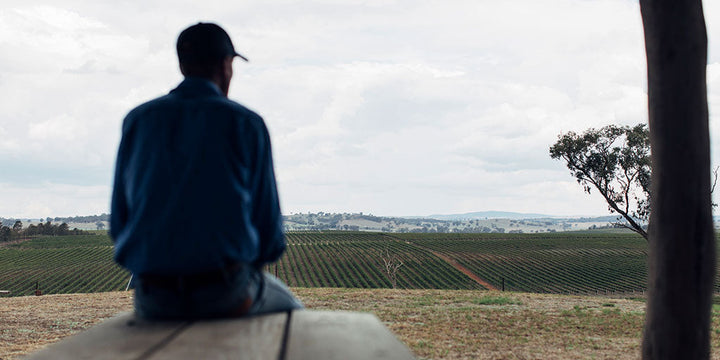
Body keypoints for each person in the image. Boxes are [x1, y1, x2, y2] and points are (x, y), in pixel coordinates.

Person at [109, 22, 303, 320]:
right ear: (226, 65)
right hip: (225, 292)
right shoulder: (246, 123)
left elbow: (120, 222)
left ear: (182, 65)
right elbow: (270, 237)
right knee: (294, 312)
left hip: (153, 297)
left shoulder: (138, 120)